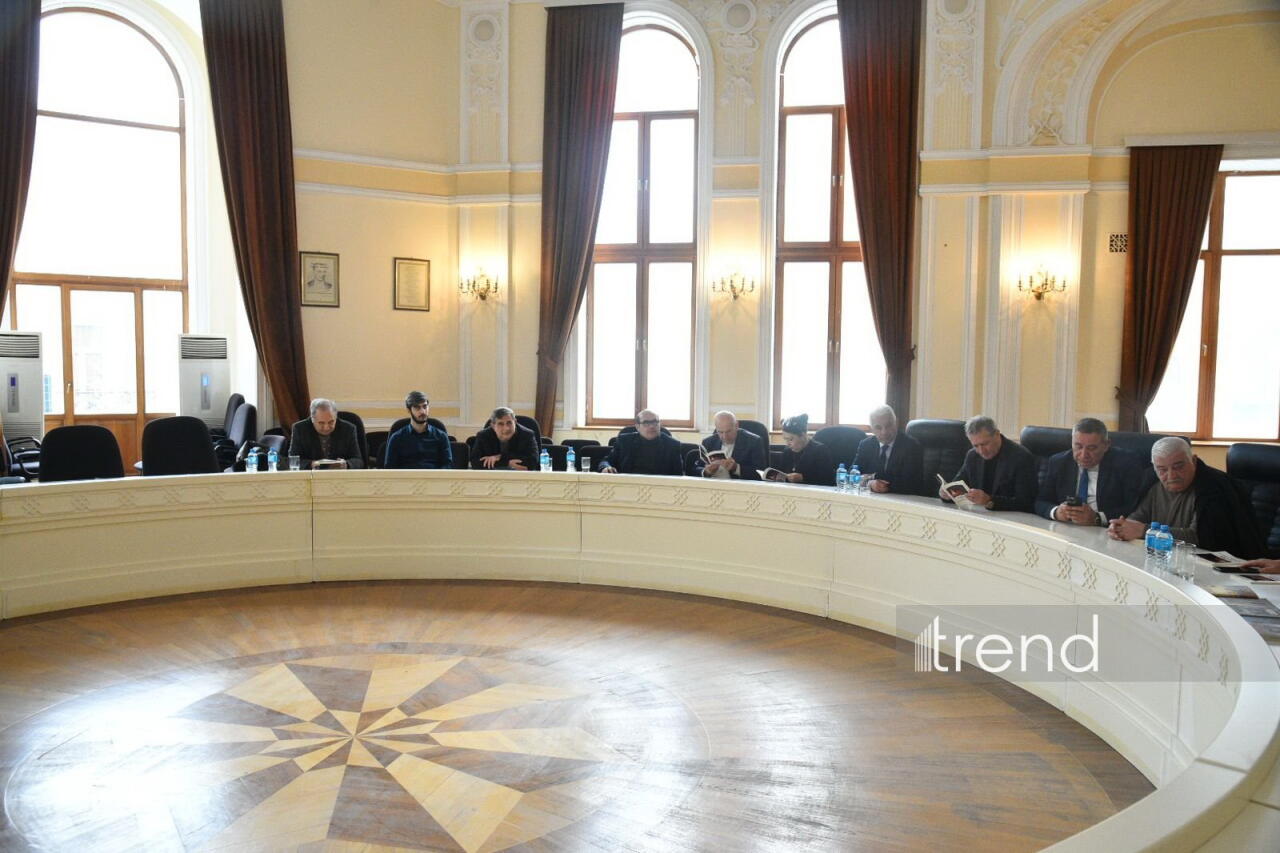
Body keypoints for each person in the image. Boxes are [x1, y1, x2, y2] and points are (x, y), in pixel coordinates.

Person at [1108, 436, 1265, 556]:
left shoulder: (1215, 487)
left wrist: (1144, 531)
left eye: (1178, 466)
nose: (1171, 475)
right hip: (1170, 560)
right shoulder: (1152, 482)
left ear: (1194, 460)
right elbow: (1137, 518)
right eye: (1162, 469)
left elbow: (1203, 539)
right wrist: (1121, 528)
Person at [1035, 418, 1147, 525]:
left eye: (1091, 448)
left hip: (1105, 530)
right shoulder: (1058, 462)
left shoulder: (1126, 463)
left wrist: (1097, 518)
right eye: (1078, 446)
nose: (1084, 455)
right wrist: (1056, 512)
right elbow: (1040, 502)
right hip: (1065, 528)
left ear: (1106, 445)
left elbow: (1133, 508)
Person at [940, 415, 1037, 512]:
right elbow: (958, 486)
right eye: (976, 446)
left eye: (985, 444)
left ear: (997, 434)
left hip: (1011, 519)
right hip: (979, 514)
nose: (981, 451)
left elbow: (1026, 503)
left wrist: (989, 500)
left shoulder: (1021, 457)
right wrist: (947, 494)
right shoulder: (972, 455)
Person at [853, 405, 924, 495]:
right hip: (870, 500)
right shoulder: (866, 445)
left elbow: (911, 484)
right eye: (878, 427)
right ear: (872, 429)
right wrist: (870, 483)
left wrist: (870, 478)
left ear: (896, 423)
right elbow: (852, 475)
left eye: (888, 425)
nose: (884, 432)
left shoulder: (911, 446)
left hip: (900, 501)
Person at [599, 410, 684, 475]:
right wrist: (606, 467)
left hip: (660, 489)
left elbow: (679, 475)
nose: (652, 426)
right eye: (646, 423)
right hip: (628, 486)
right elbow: (606, 461)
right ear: (637, 427)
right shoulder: (624, 441)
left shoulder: (672, 445)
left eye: (655, 422)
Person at [383, 390, 453, 469]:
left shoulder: (441, 436)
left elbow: (447, 465)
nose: (422, 411)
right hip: (406, 480)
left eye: (425, 406)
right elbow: (390, 468)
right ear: (409, 410)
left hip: (433, 479)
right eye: (417, 407)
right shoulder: (397, 438)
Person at [288, 398, 364, 469]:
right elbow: (292, 460)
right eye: (321, 423)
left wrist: (346, 464)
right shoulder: (299, 429)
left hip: (340, 476)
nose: (326, 427)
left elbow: (358, 460)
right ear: (312, 419)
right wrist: (311, 464)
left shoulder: (348, 429)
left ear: (336, 417)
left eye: (331, 422)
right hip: (311, 477)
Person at [695, 411, 766, 480]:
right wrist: (706, 472)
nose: (724, 436)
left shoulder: (754, 442)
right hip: (713, 486)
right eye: (720, 432)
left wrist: (736, 468)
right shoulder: (708, 442)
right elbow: (696, 468)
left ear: (737, 426)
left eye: (728, 431)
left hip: (739, 488)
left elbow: (761, 473)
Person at [769, 414, 835, 486]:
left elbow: (828, 479)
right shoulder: (787, 451)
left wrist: (803, 478)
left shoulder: (820, 451)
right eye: (785, 439)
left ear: (803, 436)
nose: (787, 444)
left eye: (790, 439)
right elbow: (781, 472)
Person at [471, 406, 539, 470]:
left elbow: (533, 461)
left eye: (509, 423)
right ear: (493, 425)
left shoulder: (527, 435)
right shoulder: (483, 436)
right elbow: (475, 464)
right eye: (500, 424)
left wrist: (500, 457)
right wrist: (507, 463)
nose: (506, 428)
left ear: (515, 422)